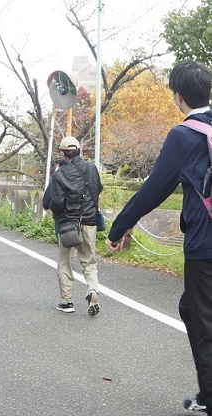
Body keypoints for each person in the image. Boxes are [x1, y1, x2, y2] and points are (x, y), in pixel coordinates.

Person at [105, 61, 212, 414]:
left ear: (178, 97)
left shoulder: (184, 136)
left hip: (205, 246)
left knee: (204, 321)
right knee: (191, 310)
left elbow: (153, 189)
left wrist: (119, 227)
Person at [43, 136, 103, 315]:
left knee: (64, 261)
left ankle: (67, 301)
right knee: (89, 261)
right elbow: (97, 189)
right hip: (89, 222)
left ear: (62, 153)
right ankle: (93, 290)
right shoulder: (92, 168)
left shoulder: (60, 174)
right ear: (79, 150)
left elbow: (57, 203)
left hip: (68, 224)